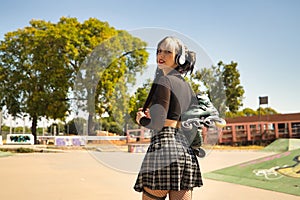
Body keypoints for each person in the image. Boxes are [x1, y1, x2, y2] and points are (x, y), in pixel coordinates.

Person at [134, 36, 203, 200]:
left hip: (164, 148)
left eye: (167, 51)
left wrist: (142, 120)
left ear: (179, 58)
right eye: (159, 51)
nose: (161, 55)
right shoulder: (187, 86)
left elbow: (157, 124)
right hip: (185, 152)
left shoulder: (164, 81)